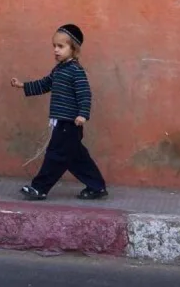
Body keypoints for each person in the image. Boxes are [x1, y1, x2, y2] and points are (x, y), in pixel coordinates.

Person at [10, 24, 108, 200]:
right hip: (61, 122)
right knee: (77, 158)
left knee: (55, 156)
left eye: (61, 46)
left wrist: (82, 114)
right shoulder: (58, 70)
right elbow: (44, 84)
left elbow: (85, 94)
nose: (56, 50)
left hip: (70, 123)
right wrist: (23, 85)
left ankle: (39, 188)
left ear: (74, 49)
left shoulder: (76, 71)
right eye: (54, 46)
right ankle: (97, 186)